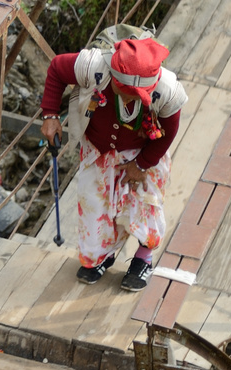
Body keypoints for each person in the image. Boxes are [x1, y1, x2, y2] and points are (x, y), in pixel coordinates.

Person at [38, 35, 186, 291]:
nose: (130, 99)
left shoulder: (168, 90)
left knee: (145, 201)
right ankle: (101, 256)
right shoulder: (92, 66)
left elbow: (169, 133)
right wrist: (50, 114)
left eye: (139, 96)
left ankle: (143, 259)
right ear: (114, 78)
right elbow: (56, 69)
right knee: (95, 203)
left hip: (144, 151)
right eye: (125, 92)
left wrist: (141, 164)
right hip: (98, 149)